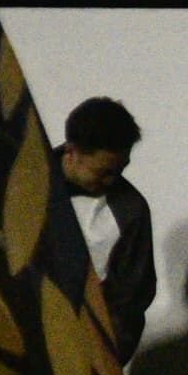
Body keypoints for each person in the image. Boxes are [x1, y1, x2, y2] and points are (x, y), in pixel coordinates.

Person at [56, 94, 157, 349]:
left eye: (120, 170)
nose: (113, 181)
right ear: (71, 151)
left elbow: (129, 302)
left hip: (77, 348)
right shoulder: (22, 181)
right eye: (103, 172)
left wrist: (107, 353)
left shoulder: (131, 211)